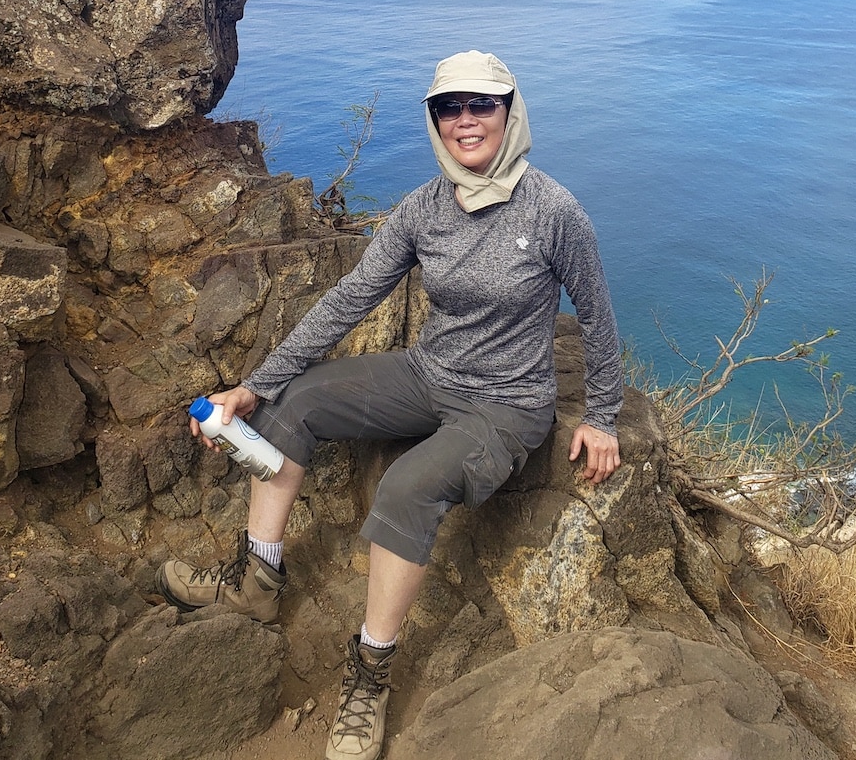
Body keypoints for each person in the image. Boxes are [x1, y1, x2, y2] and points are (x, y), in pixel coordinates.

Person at [159, 50, 623, 760]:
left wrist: (604, 417)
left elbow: (597, 315)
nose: (465, 119)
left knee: (406, 486)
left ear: (510, 111)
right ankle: (258, 578)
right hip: (427, 374)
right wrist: (259, 381)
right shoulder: (424, 208)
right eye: (449, 107)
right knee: (301, 401)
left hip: (504, 406)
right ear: (435, 121)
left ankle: (371, 674)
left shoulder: (554, 211)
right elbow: (351, 297)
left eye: (482, 104)